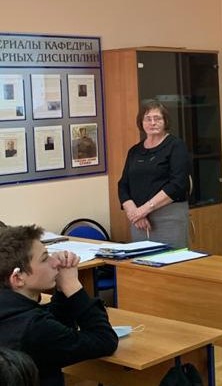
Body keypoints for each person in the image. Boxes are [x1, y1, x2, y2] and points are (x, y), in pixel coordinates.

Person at [0, 225, 118, 386]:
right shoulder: (34, 328)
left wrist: (62, 291)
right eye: (44, 259)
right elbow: (105, 341)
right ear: (18, 278)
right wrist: (72, 287)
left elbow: (56, 326)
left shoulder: (12, 310)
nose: (55, 262)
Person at [118, 100, 191, 248]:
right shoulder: (134, 151)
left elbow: (177, 185)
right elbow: (123, 185)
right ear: (141, 122)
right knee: (142, 260)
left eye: (157, 118)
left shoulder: (176, 146)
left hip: (169, 218)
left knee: (171, 259)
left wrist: (144, 209)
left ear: (165, 121)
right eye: (148, 119)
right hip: (139, 221)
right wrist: (134, 213)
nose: (152, 123)